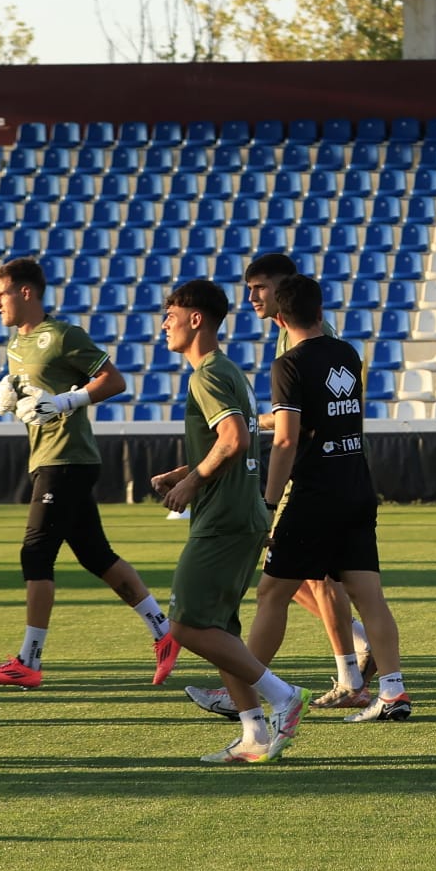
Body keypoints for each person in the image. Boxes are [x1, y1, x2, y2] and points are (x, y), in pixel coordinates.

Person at [0, 256, 178, 690]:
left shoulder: (62, 335)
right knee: (97, 556)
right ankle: (164, 632)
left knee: (35, 554)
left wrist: (66, 401)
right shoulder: (15, 345)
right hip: (45, 458)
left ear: (25, 292)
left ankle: (29, 661)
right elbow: (34, 389)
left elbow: (114, 381)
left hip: (68, 458)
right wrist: (9, 387)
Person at [236, 274, 413, 723]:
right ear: (320, 311)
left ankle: (240, 688)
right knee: (369, 595)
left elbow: (285, 440)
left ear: (279, 316)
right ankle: (393, 692)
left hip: (315, 493)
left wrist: (269, 503)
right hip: (356, 485)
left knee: (272, 592)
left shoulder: (288, 366)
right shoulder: (347, 354)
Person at [150, 278, 309, 763]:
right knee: (221, 630)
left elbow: (235, 438)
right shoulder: (227, 370)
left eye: (170, 316)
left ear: (196, 319)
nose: (163, 326)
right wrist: (184, 470)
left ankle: (282, 697)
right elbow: (236, 442)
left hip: (222, 517)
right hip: (243, 512)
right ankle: (254, 735)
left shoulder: (207, 374)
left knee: (185, 626)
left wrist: (192, 482)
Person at [246, 252, 372, 708]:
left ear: (284, 290)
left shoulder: (303, 348)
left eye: (260, 287)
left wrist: (269, 491)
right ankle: (355, 663)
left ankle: (243, 688)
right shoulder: (308, 344)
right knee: (309, 580)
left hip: (316, 477)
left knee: (290, 581)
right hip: (333, 474)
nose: (253, 297)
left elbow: (301, 427)